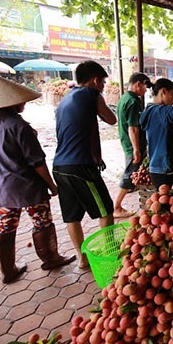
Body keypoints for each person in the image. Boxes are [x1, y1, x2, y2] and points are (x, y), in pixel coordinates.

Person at [0, 75, 75, 283]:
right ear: (11, 102)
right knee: (42, 221)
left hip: (2, 187)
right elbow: (37, 162)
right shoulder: (20, 127)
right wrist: (52, 186)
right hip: (27, 187)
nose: (24, 103)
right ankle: (50, 257)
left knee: (6, 226)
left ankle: (8, 270)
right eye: (21, 100)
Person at [52, 60, 117, 269]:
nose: (104, 87)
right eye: (103, 83)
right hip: (80, 167)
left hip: (60, 167)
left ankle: (83, 259)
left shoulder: (64, 99)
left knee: (73, 216)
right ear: (96, 80)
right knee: (105, 210)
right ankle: (110, 254)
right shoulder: (92, 95)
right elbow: (111, 119)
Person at [114, 72, 150, 217]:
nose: (145, 90)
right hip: (132, 145)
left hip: (127, 143)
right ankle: (117, 206)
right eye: (145, 87)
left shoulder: (125, 98)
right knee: (129, 175)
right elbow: (133, 127)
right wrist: (136, 149)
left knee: (132, 173)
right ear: (138, 84)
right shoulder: (133, 102)